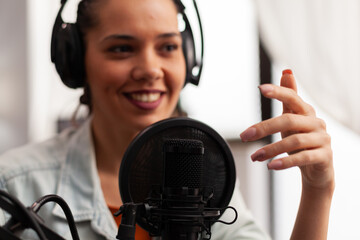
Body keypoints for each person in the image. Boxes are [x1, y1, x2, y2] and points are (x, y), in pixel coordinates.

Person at [0, 0, 334, 239]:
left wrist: (317, 191)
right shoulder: (14, 184)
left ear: (188, 58)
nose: (150, 69)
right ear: (75, 61)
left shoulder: (205, 177)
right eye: (121, 49)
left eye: (168, 47)